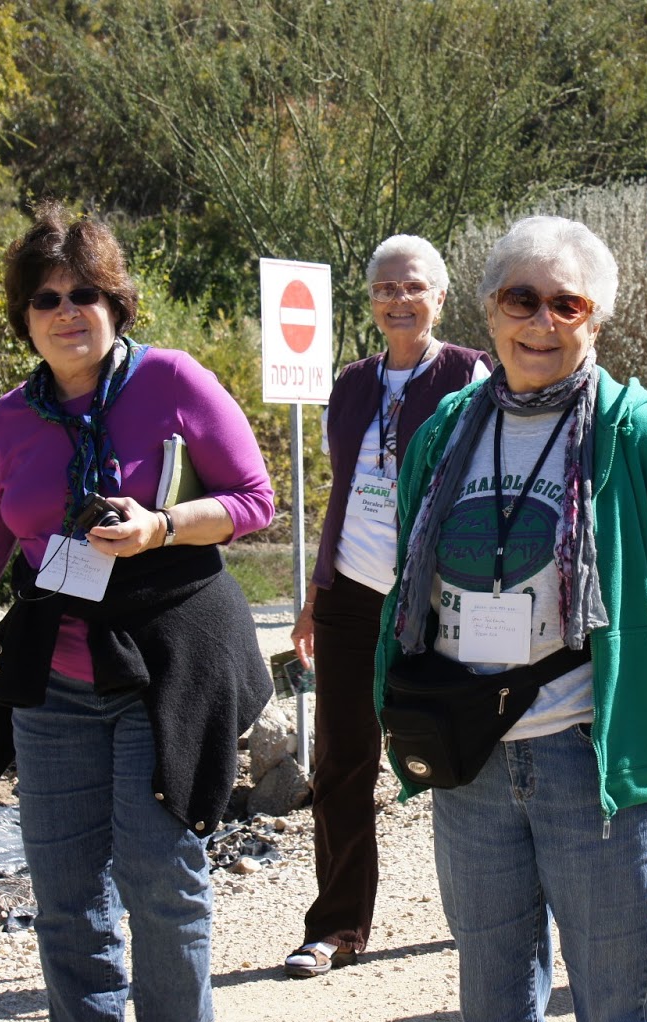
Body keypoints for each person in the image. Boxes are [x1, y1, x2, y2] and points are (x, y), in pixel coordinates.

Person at [0, 202, 274, 1022]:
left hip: (164, 669)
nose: (66, 311)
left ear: (116, 302)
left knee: (160, 877)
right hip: (55, 680)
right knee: (66, 894)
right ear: (26, 318)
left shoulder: (173, 382)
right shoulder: (9, 421)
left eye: (84, 292)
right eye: (45, 298)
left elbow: (253, 500)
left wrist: (161, 525)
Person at [376, 215, 647, 1022]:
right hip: (471, 758)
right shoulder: (444, 433)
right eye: (521, 299)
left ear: (595, 319)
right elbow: (407, 580)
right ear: (490, 309)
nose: (541, 322)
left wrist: (641, 707)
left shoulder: (638, 436)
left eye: (565, 304)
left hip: (590, 760)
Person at [283, 235, 490, 977]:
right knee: (341, 760)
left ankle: (491, 915)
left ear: (440, 295)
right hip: (349, 595)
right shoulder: (350, 384)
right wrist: (314, 597)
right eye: (384, 288)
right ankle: (336, 927)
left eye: (413, 287)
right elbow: (341, 494)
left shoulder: (470, 375)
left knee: (464, 751)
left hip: (432, 597)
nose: (398, 300)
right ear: (370, 299)